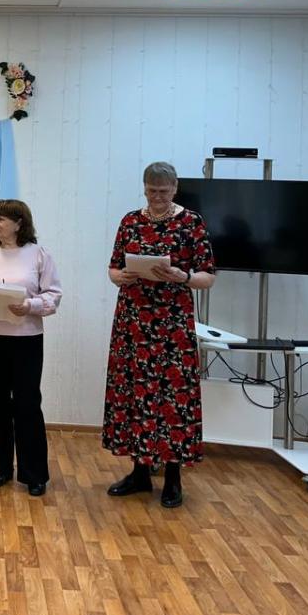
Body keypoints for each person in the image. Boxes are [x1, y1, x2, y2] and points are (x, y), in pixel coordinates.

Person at [103, 161, 216, 508]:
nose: (157, 197)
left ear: (175, 189)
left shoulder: (191, 222)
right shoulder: (130, 221)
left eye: (163, 192)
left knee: (172, 398)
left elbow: (208, 277)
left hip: (172, 325)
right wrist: (120, 276)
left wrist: (183, 277)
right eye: (151, 191)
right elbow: (113, 268)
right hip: (134, 321)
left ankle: (172, 477)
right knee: (135, 392)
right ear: (144, 188)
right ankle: (139, 472)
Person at [0, 199, 61, 497]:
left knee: (27, 404)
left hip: (26, 339)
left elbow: (53, 295)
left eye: (2, 219)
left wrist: (29, 305)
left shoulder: (39, 255)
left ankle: (34, 474)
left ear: (19, 223)